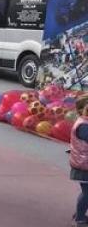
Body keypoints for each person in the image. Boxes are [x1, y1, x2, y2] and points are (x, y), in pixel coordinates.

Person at [71, 95, 88, 227]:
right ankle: (80, 219)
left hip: (84, 163)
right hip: (84, 165)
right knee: (87, 193)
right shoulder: (83, 126)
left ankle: (79, 213)